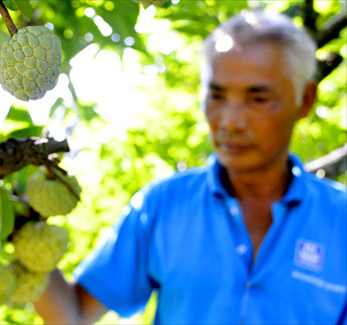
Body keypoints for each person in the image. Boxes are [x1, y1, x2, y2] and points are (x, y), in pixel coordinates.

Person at [34, 10, 347, 324]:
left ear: (305, 100)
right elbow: (72, 315)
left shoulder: (341, 219)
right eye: (217, 96)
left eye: (258, 98)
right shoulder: (163, 203)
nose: (230, 121)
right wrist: (23, 230)